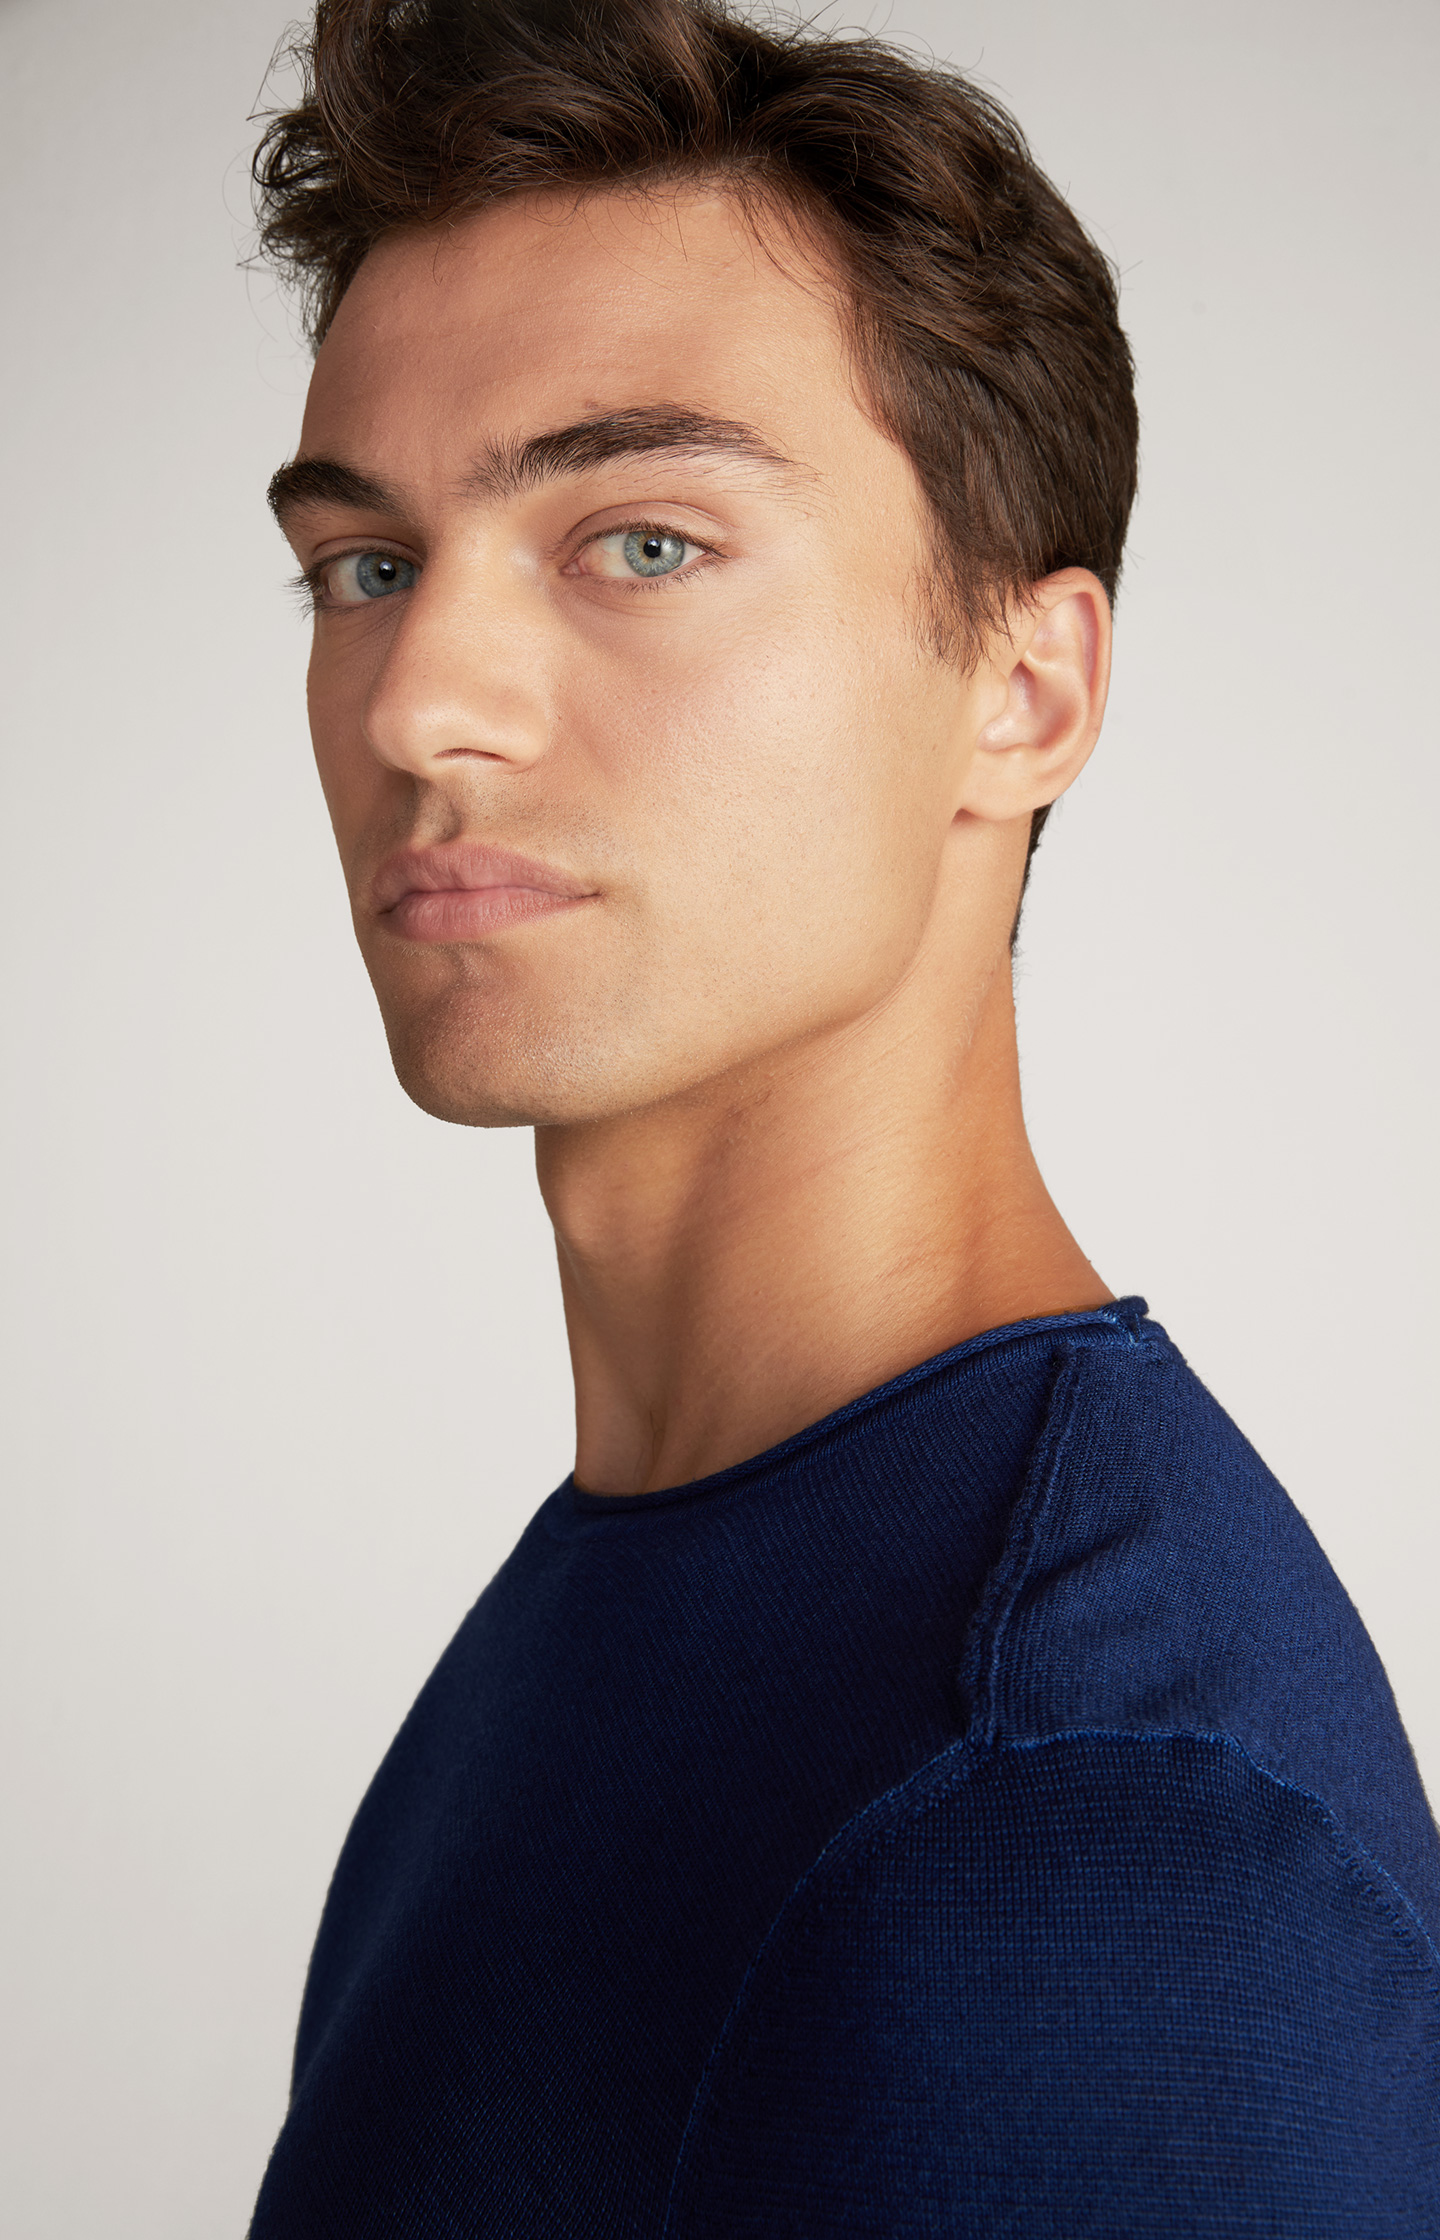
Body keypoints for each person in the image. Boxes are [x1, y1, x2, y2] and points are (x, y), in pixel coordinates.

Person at [245, 0, 1440, 2229]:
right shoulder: (640, 1577)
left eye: (643, 542)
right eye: (368, 566)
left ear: (1024, 686)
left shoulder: (1087, 1830)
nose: (420, 703)